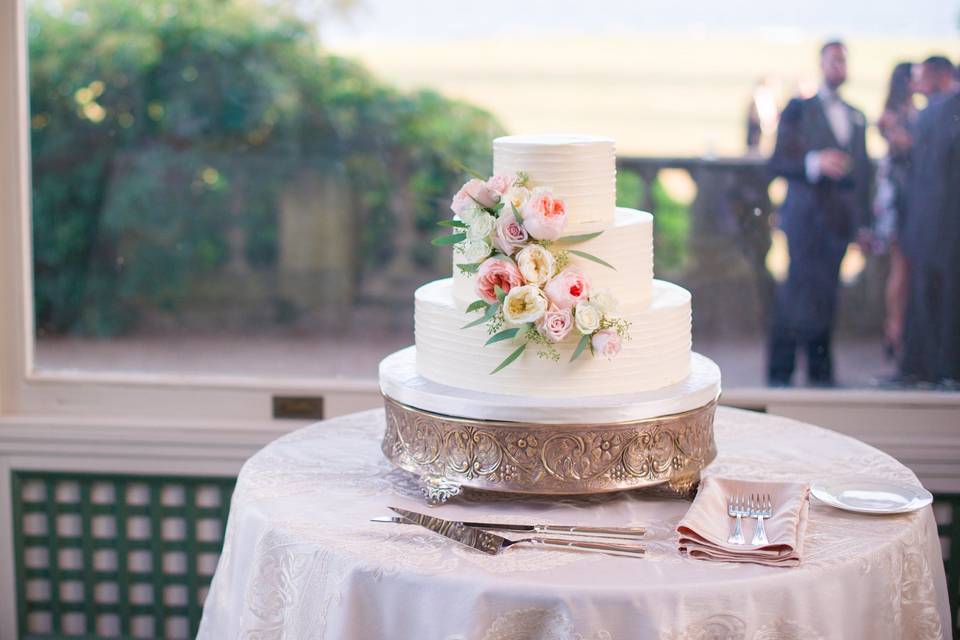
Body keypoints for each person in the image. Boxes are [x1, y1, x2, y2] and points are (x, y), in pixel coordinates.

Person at [766, 40, 872, 387]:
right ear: (822, 65)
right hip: (803, 218)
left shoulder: (857, 116)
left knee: (828, 295)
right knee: (796, 290)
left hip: (838, 223)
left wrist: (863, 224)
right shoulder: (798, 108)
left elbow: (863, 176)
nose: (839, 67)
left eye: (844, 61)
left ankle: (820, 372)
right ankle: (780, 372)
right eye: (833, 61)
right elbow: (777, 162)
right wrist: (815, 162)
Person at [899, 57, 960, 384]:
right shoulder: (937, 113)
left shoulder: (935, 113)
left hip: (934, 227)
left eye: (922, 77)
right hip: (937, 227)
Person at [872, 62, 916, 360]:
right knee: (900, 266)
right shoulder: (892, 117)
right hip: (899, 199)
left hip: (907, 196)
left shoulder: (909, 114)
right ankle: (895, 328)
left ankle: (898, 328)